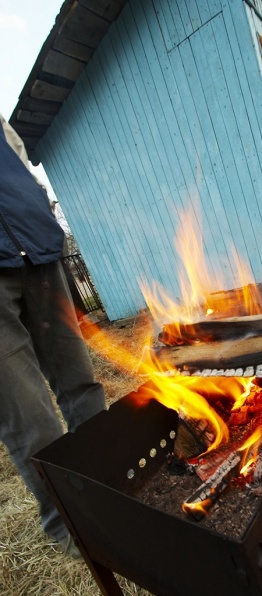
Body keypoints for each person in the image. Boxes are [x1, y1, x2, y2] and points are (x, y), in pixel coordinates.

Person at [0, 115, 106, 558]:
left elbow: (15, 154)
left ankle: (108, 483)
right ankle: (67, 525)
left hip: (35, 248)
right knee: (30, 416)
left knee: (81, 383)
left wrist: (37, 208)